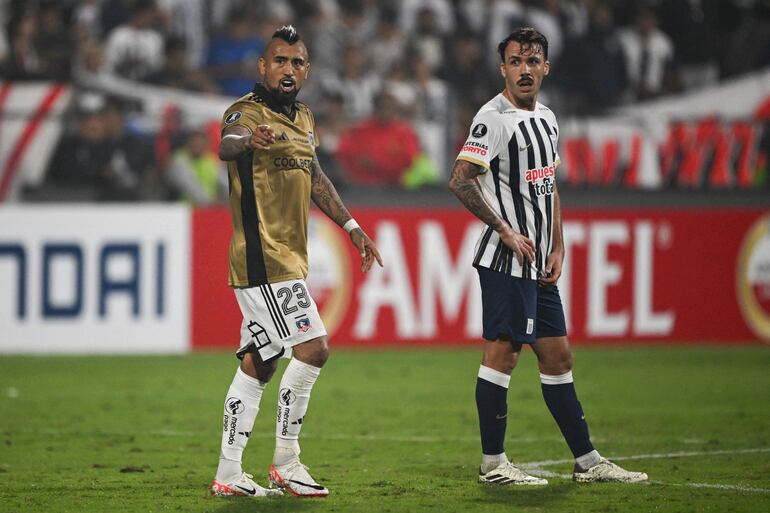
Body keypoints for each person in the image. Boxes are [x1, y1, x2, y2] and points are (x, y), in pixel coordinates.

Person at [448, 27, 648, 486]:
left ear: (545, 67)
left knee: (558, 356)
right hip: (504, 260)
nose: (524, 69)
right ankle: (493, 464)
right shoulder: (492, 117)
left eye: (532, 61)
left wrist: (557, 244)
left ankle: (587, 462)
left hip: (538, 261)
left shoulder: (548, 118)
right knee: (503, 353)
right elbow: (460, 179)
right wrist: (504, 229)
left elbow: (547, 185)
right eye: (515, 61)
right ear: (503, 68)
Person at [211, 25, 382, 498]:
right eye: (279, 61)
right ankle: (287, 461)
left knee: (260, 362)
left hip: (289, 259)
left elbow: (316, 175)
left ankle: (228, 474)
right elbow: (226, 143)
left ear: (307, 70)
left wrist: (351, 227)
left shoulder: (304, 117)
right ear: (263, 67)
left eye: (297, 62)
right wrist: (247, 142)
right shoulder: (244, 112)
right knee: (314, 348)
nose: (288, 69)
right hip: (264, 259)